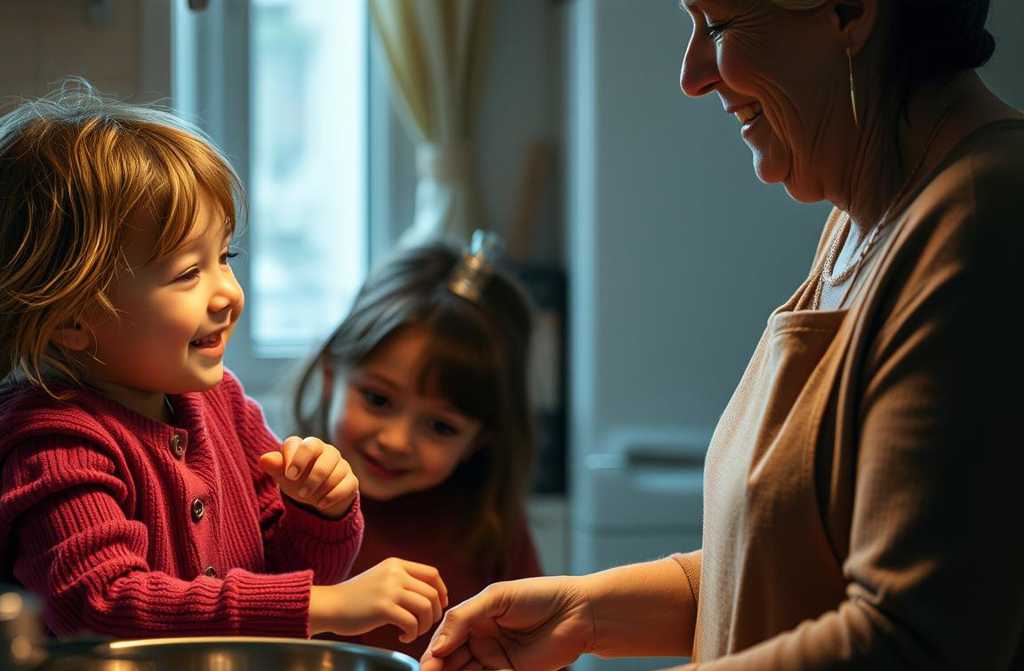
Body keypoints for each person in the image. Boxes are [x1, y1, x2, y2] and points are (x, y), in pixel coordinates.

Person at [420, 0, 1024, 669]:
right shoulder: (864, 216)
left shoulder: (982, 219)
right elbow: (781, 565)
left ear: (851, 12)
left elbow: (910, 640)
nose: (691, 74)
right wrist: (588, 611)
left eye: (717, 26)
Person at [0, 82, 446, 643]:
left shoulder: (223, 403)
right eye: (188, 273)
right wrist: (322, 605)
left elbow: (279, 574)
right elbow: (101, 601)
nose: (228, 294)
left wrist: (318, 514)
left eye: (225, 258)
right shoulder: (53, 442)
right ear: (72, 319)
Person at [291, 233, 544, 659]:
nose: (395, 441)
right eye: (377, 400)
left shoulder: (492, 530)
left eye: (440, 427)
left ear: (477, 442)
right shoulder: (271, 504)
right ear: (333, 371)